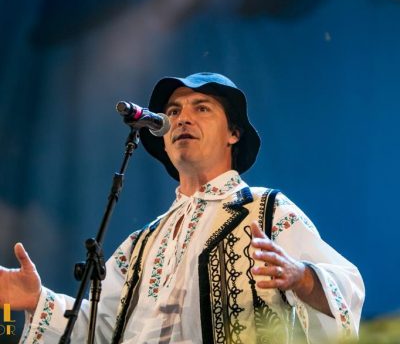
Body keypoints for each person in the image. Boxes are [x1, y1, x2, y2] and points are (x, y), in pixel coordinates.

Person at [0, 72, 364, 343]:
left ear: (233, 133)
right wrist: (37, 300)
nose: (182, 118)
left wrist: (301, 276)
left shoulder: (265, 209)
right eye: (173, 111)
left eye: (201, 108)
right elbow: (99, 325)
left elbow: (347, 287)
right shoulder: (141, 243)